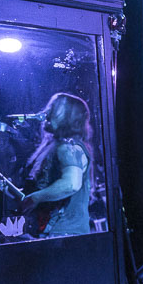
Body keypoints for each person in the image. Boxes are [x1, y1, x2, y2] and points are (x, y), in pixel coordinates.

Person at [21, 92, 93, 238]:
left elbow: (71, 184)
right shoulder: (54, 145)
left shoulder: (69, 147)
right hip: (50, 232)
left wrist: (35, 198)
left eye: (54, 107)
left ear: (69, 115)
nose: (46, 112)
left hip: (65, 235)